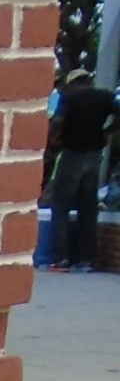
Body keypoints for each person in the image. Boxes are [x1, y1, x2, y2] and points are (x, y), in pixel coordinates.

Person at [48, 67, 114, 271]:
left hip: (72, 154)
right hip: (94, 156)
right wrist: (107, 132)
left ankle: (60, 259)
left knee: (60, 206)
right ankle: (87, 260)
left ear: (72, 83)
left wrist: (51, 139)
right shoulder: (104, 97)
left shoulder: (68, 98)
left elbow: (58, 121)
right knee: (88, 208)